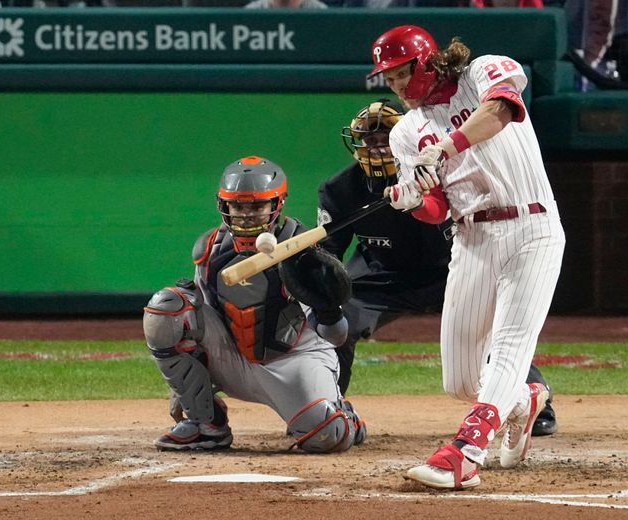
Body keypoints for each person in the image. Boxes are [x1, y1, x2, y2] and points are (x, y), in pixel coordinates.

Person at [367, 25, 566, 489]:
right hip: (471, 238)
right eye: (388, 79)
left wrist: (448, 145)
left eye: (401, 74)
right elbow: (437, 207)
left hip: (532, 226)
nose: (395, 86)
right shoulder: (406, 134)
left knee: (511, 345)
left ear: (426, 62)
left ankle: (464, 453)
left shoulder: (483, 71)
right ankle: (524, 399)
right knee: (459, 380)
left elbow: (500, 111)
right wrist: (412, 199)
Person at [318, 98, 558, 437]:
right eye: (369, 140)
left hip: (452, 269)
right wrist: (320, 292)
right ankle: (326, 410)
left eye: (385, 138)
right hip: (384, 275)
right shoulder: (340, 191)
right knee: (336, 323)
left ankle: (534, 404)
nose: (377, 147)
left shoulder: (441, 174)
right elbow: (328, 254)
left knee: (491, 330)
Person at [142, 156, 365, 454]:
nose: (246, 216)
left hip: (293, 358)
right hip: (234, 356)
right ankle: (206, 426)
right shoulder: (209, 248)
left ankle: (342, 414)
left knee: (327, 437)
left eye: (256, 207)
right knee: (166, 308)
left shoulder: (302, 250)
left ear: (276, 205)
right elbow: (201, 321)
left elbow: (336, 337)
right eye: (238, 206)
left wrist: (328, 310)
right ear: (225, 206)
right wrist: (186, 381)